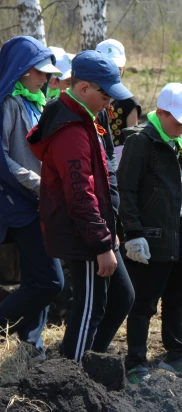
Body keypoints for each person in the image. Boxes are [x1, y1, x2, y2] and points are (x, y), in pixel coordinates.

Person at [27, 50, 136, 363]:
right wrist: (101, 243)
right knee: (90, 307)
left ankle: (91, 364)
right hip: (84, 234)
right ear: (84, 88)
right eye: (106, 95)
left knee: (122, 296)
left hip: (100, 229)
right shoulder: (71, 130)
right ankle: (71, 376)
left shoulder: (90, 117)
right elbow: (80, 195)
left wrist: (110, 229)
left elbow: (104, 174)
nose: (111, 104)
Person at [117, 83, 182, 384]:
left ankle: (177, 354)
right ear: (160, 112)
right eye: (177, 119)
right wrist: (132, 233)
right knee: (144, 300)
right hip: (150, 235)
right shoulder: (141, 142)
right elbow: (126, 190)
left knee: (178, 295)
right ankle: (136, 363)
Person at [0, 35, 64, 360]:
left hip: (42, 203)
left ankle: (31, 348)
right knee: (51, 282)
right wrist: (39, 183)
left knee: (38, 279)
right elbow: (4, 158)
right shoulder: (9, 103)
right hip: (20, 204)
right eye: (40, 72)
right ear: (21, 71)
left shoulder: (38, 102)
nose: (46, 78)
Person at [95, 39, 142, 164]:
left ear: (124, 69)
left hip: (120, 161)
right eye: (107, 67)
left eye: (117, 68)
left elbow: (133, 138)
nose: (113, 72)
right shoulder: (88, 96)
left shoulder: (129, 102)